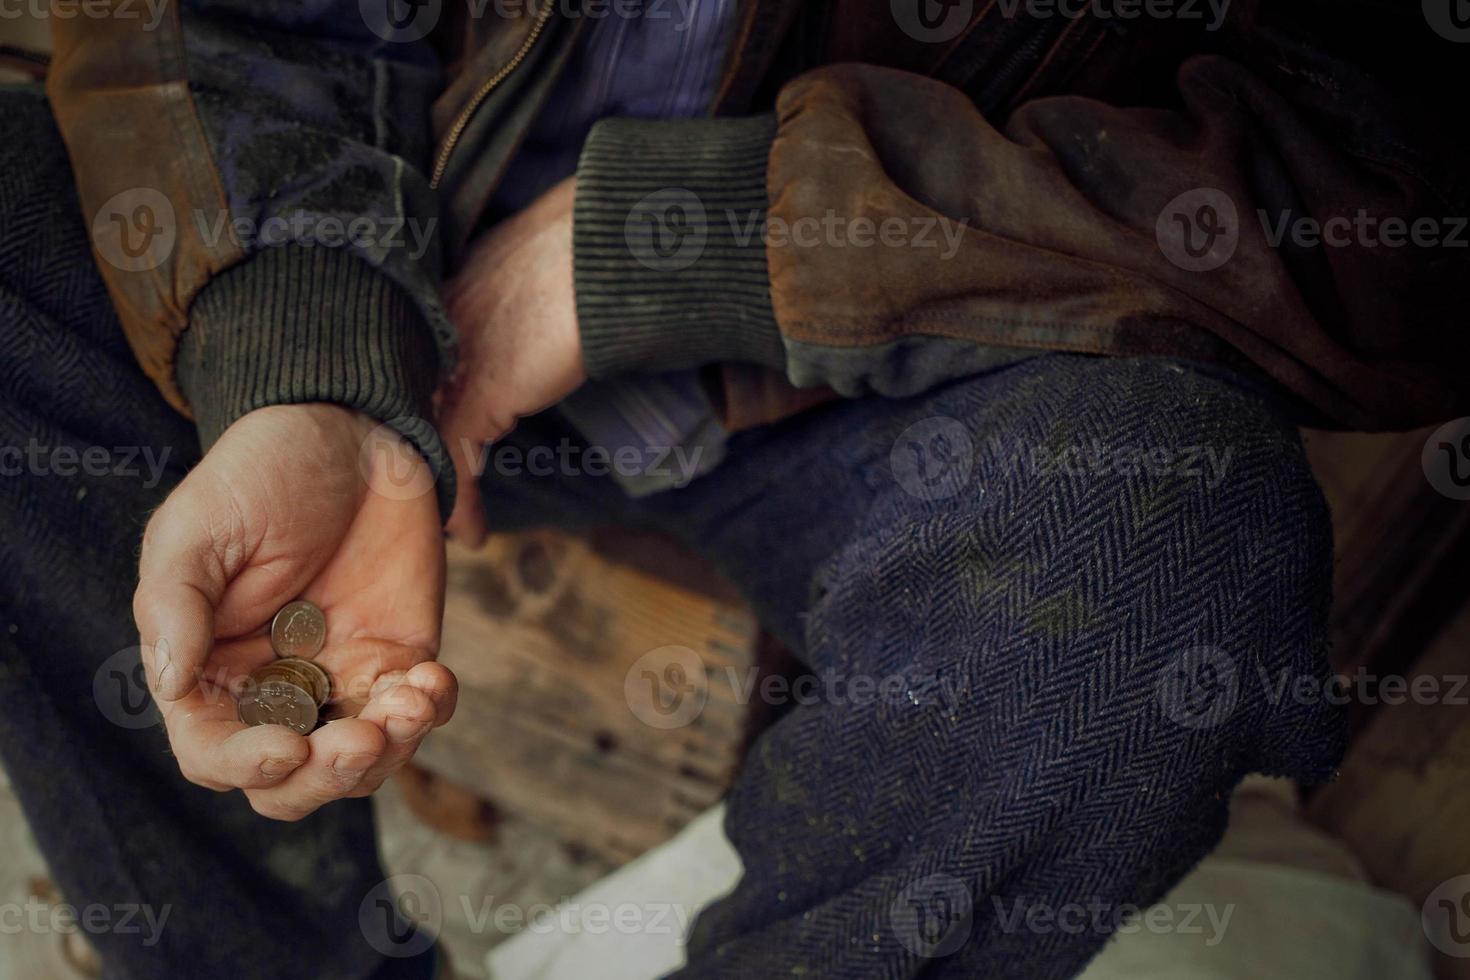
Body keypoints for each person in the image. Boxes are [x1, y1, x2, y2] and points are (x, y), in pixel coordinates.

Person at [0, 1, 1462, 977]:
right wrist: (304, 356)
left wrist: (684, 241)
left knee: (1160, 533)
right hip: (392, 296)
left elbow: (1386, 196)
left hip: (921, 354)